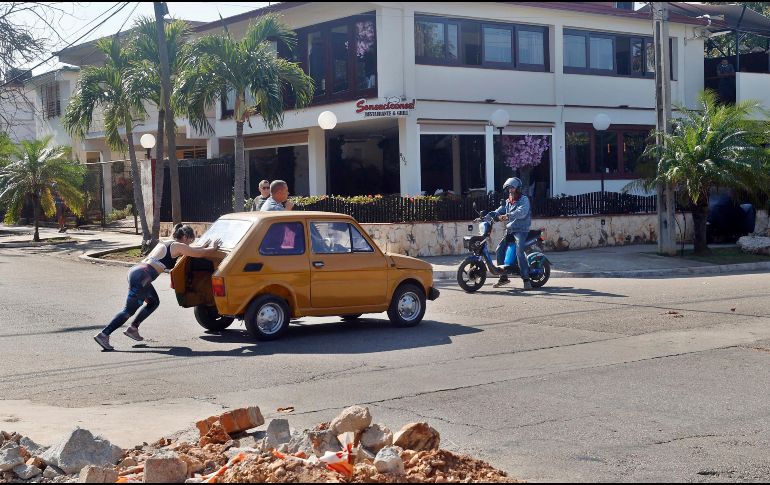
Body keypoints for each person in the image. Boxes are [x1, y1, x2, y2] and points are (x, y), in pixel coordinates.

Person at [93, 224, 222, 351]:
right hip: (142, 277)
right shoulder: (178, 246)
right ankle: (104, 334)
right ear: (185, 237)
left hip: (139, 273)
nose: (189, 244)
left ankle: (133, 328)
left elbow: (194, 249)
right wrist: (213, 248)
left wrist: (203, 246)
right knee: (128, 311)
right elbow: (196, 253)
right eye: (189, 240)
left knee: (153, 302)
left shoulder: (168, 243)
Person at [487, 177, 532, 290]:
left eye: (512, 188)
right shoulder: (508, 201)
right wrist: (485, 216)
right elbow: (498, 210)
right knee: (499, 249)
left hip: (521, 230)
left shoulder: (524, 200)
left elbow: (521, 212)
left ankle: (526, 279)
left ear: (518, 189)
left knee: (519, 252)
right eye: (509, 188)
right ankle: (503, 277)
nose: (510, 190)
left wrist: (507, 216)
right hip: (511, 230)